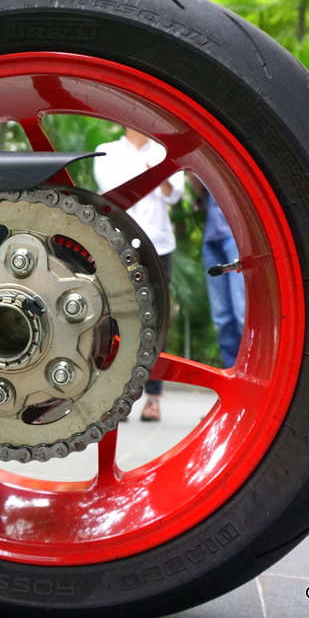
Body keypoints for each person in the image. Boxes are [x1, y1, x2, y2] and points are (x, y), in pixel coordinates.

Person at [94, 127, 185, 421]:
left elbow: (174, 196)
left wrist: (159, 175)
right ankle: (117, 397)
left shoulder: (162, 153)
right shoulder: (107, 151)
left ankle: (154, 398)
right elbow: (111, 194)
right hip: (119, 244)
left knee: (158, 319)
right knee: (116, 316)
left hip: (158, 245)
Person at [191, 180, 245, 369]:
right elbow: (200, 189)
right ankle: (233, 369)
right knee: (222, 316)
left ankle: (255, 370)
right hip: (213, 232)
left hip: (237, 232)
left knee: (242, 311)